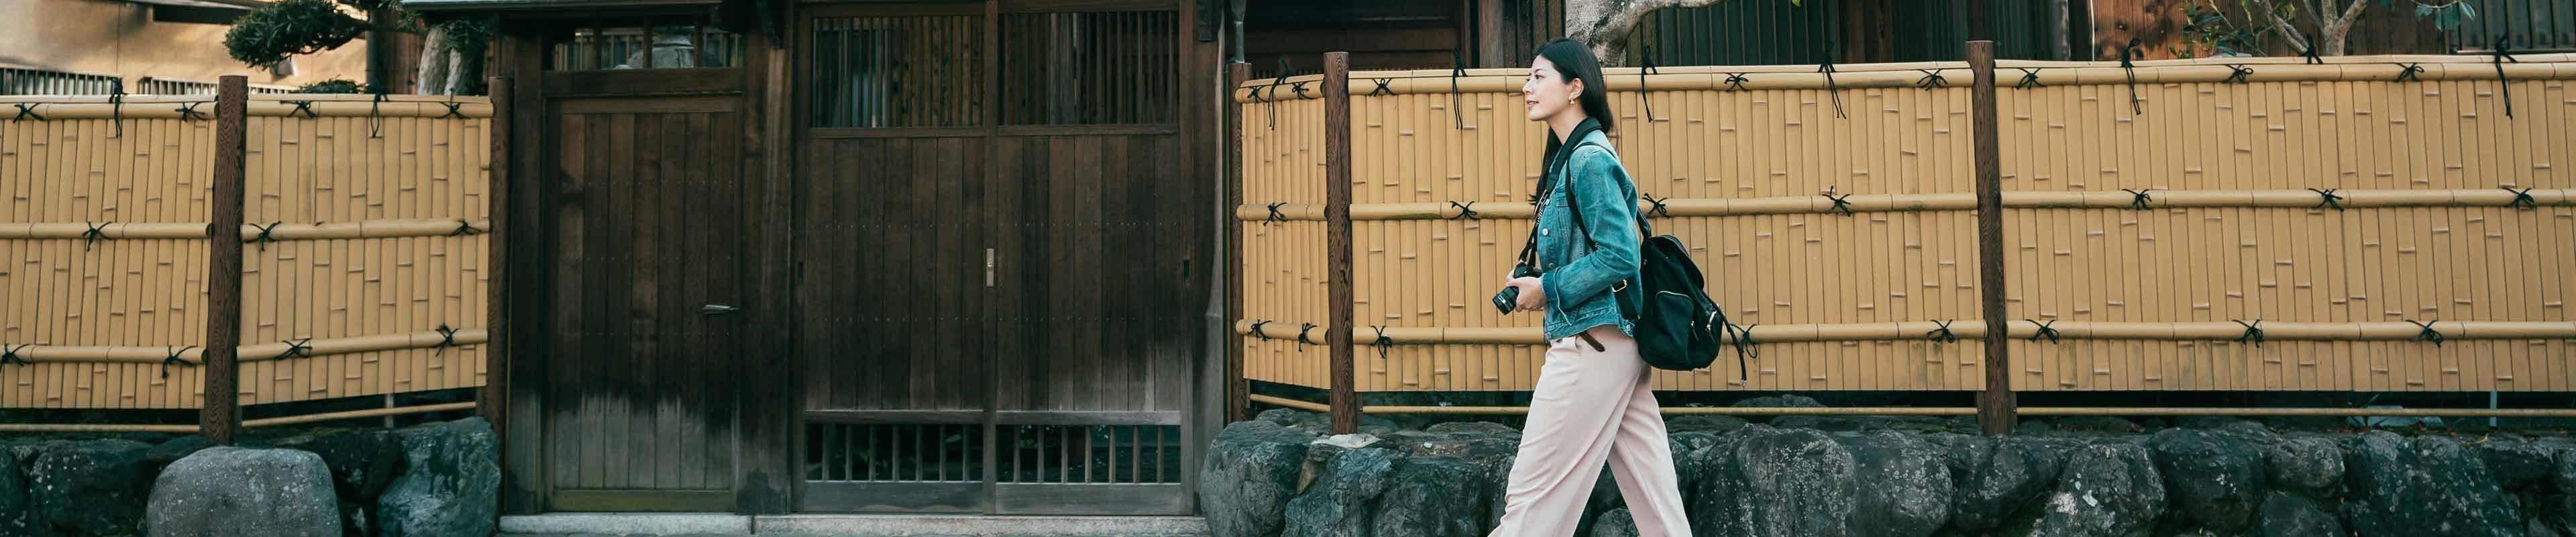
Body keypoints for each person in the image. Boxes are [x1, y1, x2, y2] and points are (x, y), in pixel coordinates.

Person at [1490, 38, 1691, 537]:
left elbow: (1620, 256)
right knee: (1657, 501)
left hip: (1591, 343)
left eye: (1539, 77)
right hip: (1614, 345)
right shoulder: (1574, 155)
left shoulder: (1588, 160)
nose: (1526, 87)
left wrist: (1548, 288)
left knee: (1532, 497)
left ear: (1575, 87)